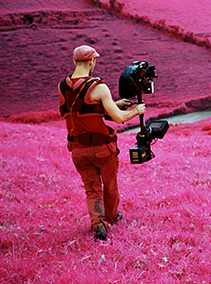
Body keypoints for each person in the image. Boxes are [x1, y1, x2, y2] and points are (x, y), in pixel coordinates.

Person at [58, 45, 146, 241]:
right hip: (102, 149)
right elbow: (119, 118)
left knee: (91, 188)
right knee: (110, 186)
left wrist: (113, 104)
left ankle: (98, 225)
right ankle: (112, 217)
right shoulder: (99, 87)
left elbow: (81, 111)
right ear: (91, 62)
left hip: (78, 150)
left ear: (74, 62)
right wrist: (136, 110)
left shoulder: (62, 87)